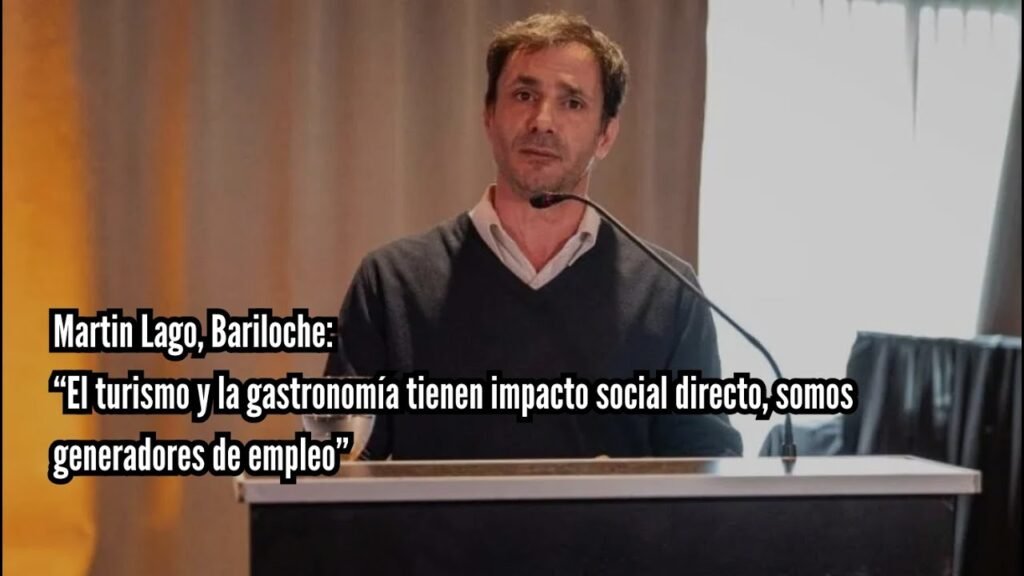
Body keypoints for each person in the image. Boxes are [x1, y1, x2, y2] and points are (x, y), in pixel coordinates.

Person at [325, 12, 742, 460]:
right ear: (489, 116)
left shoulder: (669, 291)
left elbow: (705, 469)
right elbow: (339, 464)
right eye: (524, 95)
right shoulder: (391, 282)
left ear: (605, 135)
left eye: (572, 102)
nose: (542, 121)